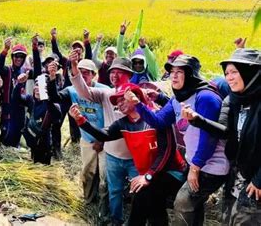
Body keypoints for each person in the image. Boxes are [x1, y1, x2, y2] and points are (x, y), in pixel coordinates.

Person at [70, 83, 186, 226]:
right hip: (149, 176)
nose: (118, 104)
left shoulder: (156, 117)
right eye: (117, 102)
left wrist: (149, 175)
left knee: (143, 197)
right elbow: (104, 134)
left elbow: (167, 151)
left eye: (122, 99)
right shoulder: (123, 124)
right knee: (154, 206)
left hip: (171, 172)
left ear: (135, 97)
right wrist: (81, 121)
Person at [134, 54, 229, 225]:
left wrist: (195, 167)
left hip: (211, 166)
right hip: (196, 163)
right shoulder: (178, 98)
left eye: (180, 71)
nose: (174, 75)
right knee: (195, 206)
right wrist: (138, 104)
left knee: (183, 203)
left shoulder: (206, 97)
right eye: (172, 71)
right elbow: (159, 121)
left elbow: (210, 137)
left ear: (191, 74)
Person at [182, 48, 261, 225]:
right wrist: (198, 120)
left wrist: (258, 180)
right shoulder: (232, 99)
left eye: (234, 72)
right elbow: (224, 130)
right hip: (237, 175)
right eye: (226, 73)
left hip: (255, 179)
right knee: (227, 219)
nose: (229, 77)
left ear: (250, 72)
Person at [70, 52, 136, 225]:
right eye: (112, 71)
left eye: (119, 72)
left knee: (138, 192)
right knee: (112, 189)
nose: (114, 75)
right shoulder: (106, 94)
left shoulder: (137, 95)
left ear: (129, 75)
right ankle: (113, 219)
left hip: (134, 155)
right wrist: (75, 68)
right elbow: (84, 91)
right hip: (112, 152)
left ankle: (137, 219)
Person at [47, 59, 110, 221]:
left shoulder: (105, 91)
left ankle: (104, 209)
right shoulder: (72, 90)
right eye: (79, 72)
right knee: (88, 172)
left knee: (105, 176)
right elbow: (54, 97)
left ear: (94, 75)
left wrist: (102, 141)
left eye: (87, 73)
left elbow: (112, 119)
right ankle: (89, 201)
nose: (82, 76)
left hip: (107, 140)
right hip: (87, 139)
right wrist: (52, 78)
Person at [0, 37, 33, 147]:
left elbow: (39, 71)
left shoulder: (25, 71)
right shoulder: (7, 70)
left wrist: (35, 48)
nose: (19, 58)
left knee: (17, 132)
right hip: (8, 108)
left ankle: (14, 149)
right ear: (12, 57)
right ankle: (3, 152)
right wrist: (5, 50)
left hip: (20, 108)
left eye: (22, 56)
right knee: (6, 134)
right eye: (16, 55)